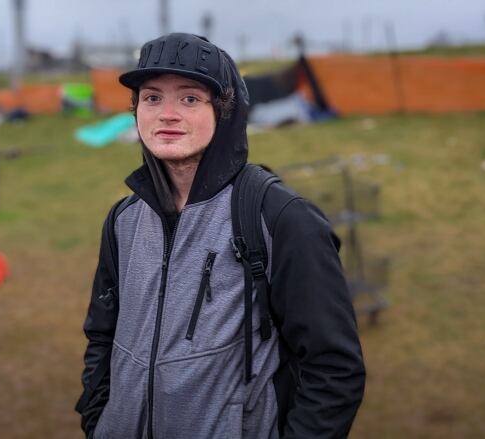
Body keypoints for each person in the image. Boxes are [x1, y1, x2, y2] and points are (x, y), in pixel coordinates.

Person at [76, 33, 365, 438]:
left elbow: (334, 369)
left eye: (190, 99)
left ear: (225, 111)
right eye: (152, 97)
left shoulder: (281, 219)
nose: (167, 114)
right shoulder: (123, 220)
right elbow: (102, 335)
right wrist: (98, 419)